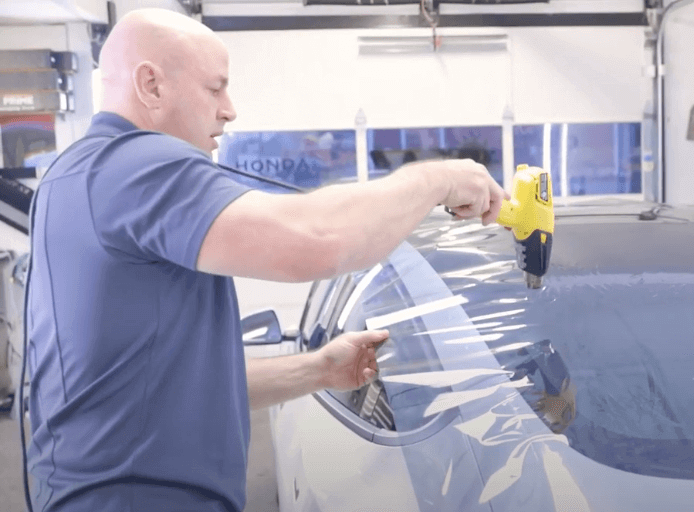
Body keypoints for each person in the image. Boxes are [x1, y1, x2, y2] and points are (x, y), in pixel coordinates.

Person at [23, 8, 506, 512]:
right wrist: (435, 179)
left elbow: (160, 382)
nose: (229, 110)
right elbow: (317, 241)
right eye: (215, 89)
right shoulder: (136, 166)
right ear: (150, 85)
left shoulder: (70, 178)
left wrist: (319, 370)